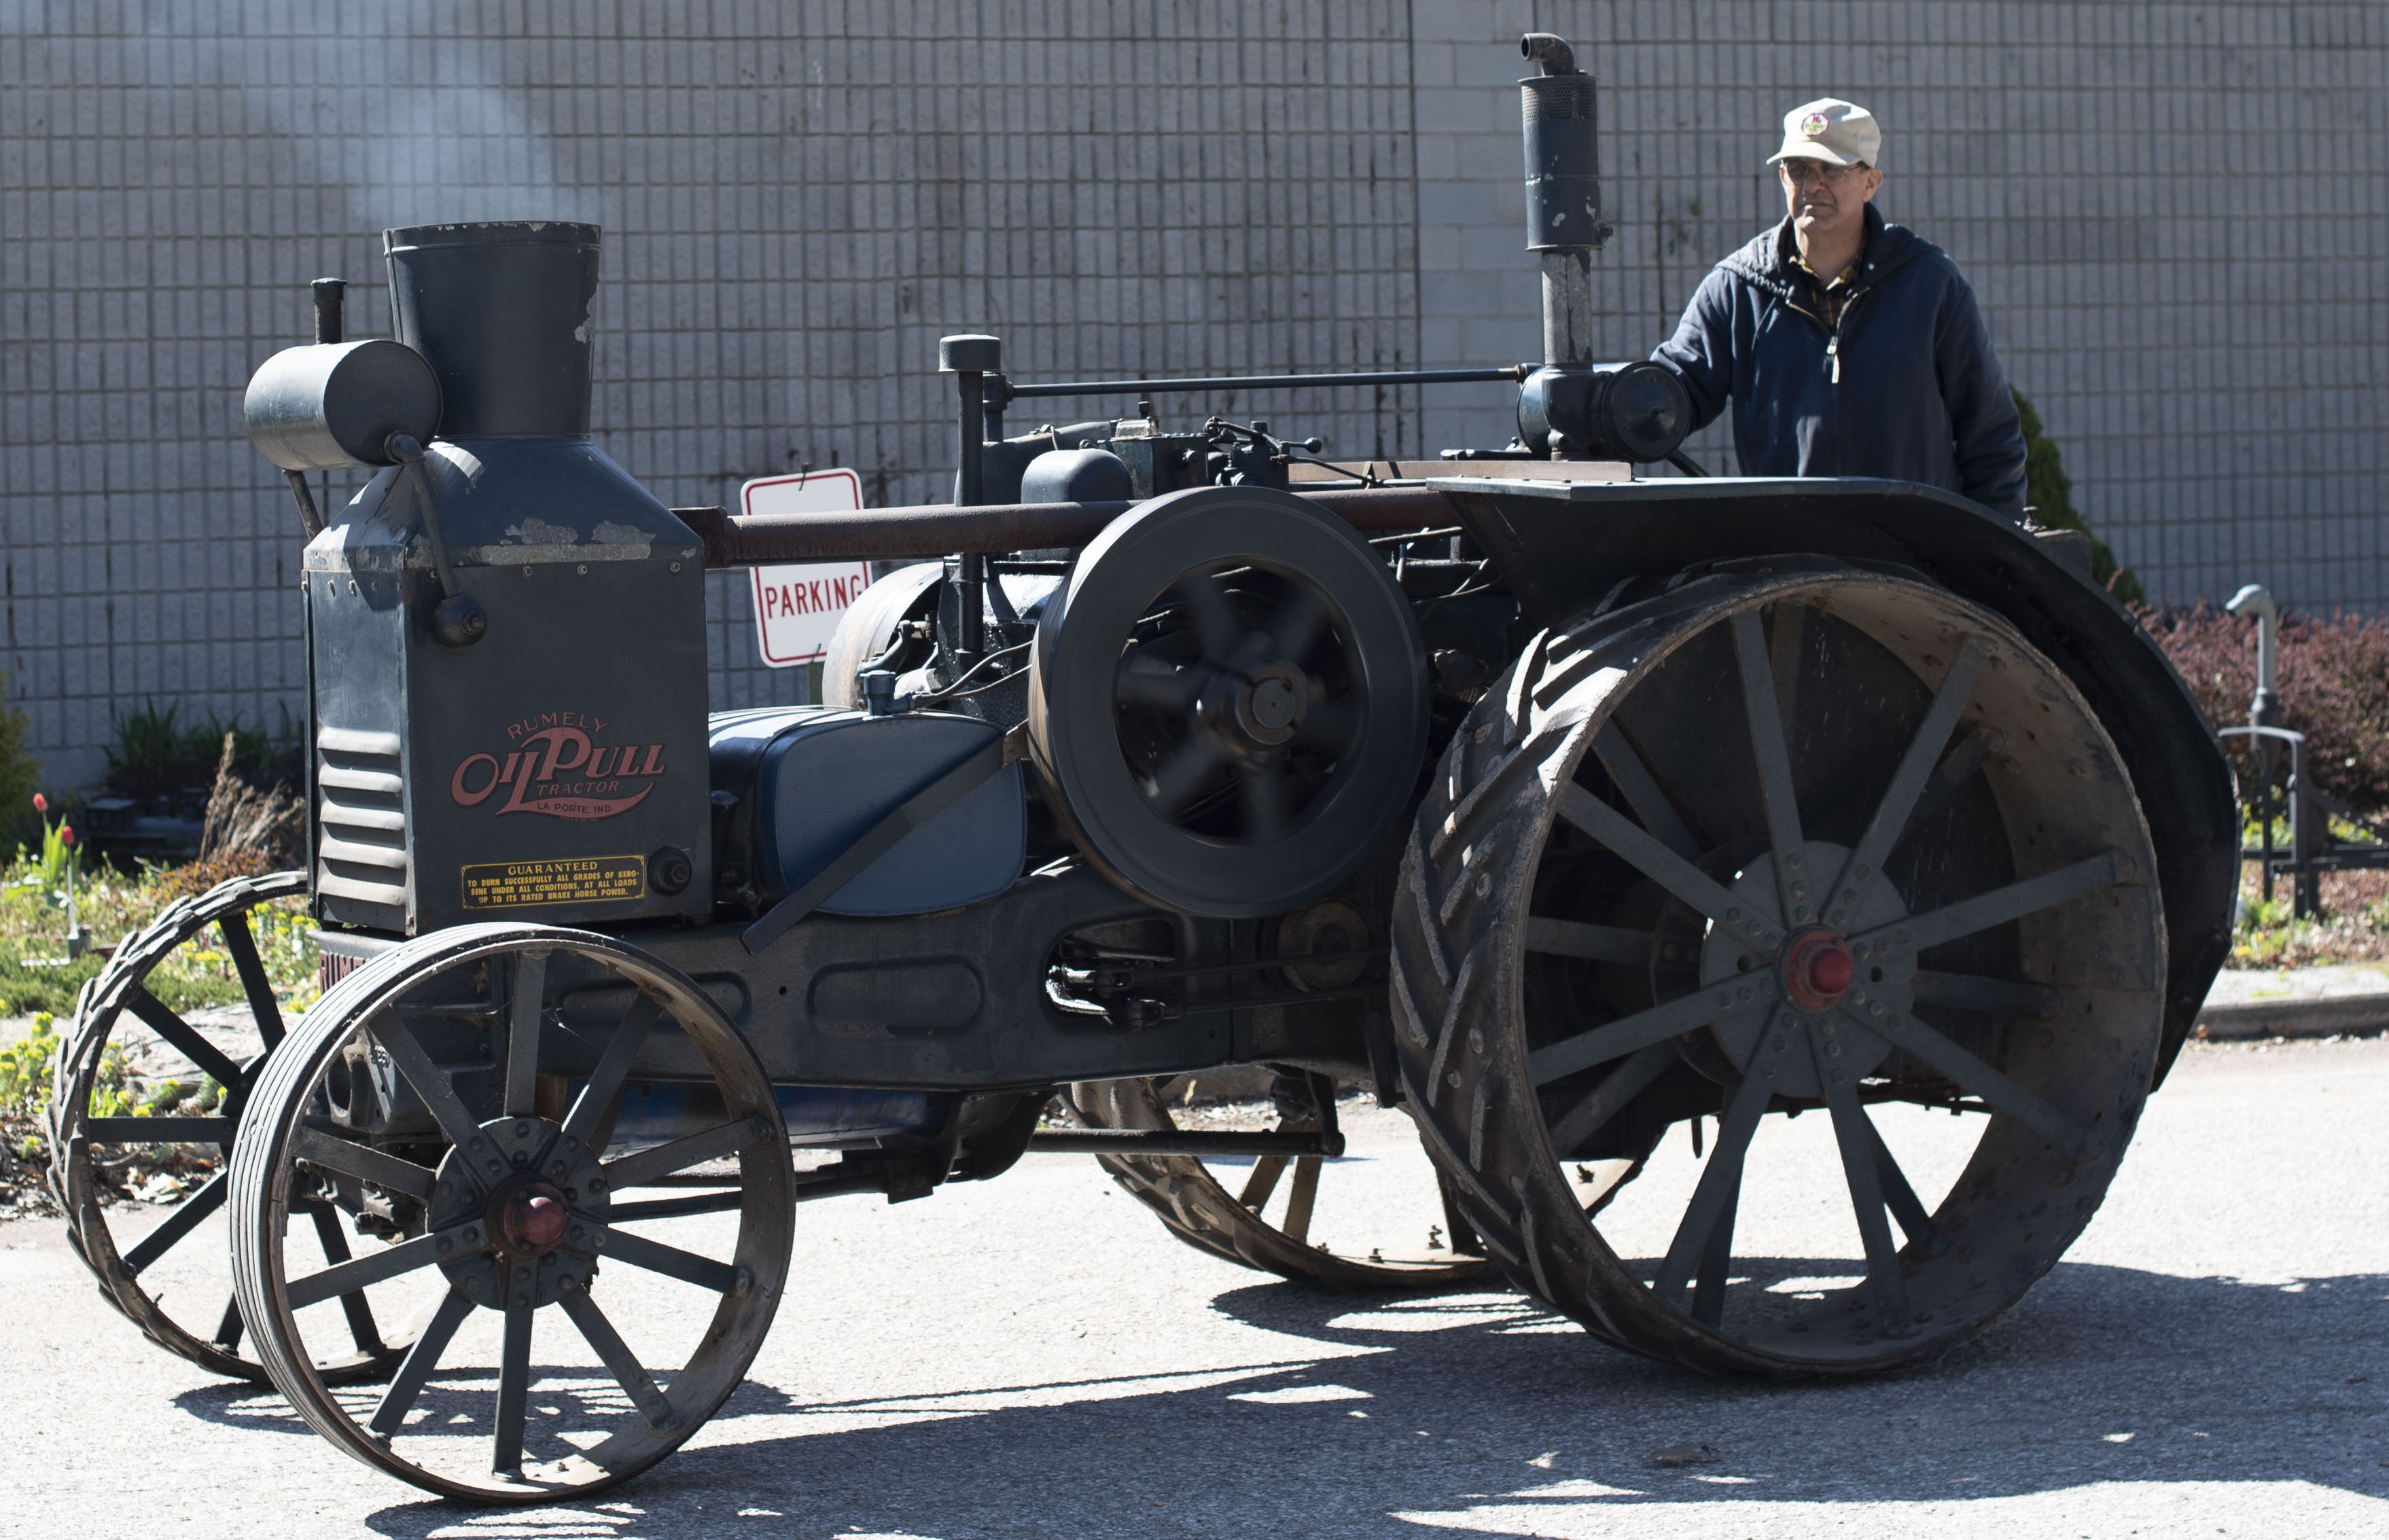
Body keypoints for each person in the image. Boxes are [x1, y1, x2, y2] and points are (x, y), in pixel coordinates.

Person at [1652, 99, 2027, 518]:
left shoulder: (1932, 285)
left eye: (1832, 169)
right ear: (1782, 178)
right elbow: (1670, 392)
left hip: (1914, 564)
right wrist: (1612, 411)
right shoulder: (1736, 288)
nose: (1813, 185)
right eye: (1799, 170)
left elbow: (1992, 439)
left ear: (1871, 183)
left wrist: (1993, 563)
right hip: (1789, 564)